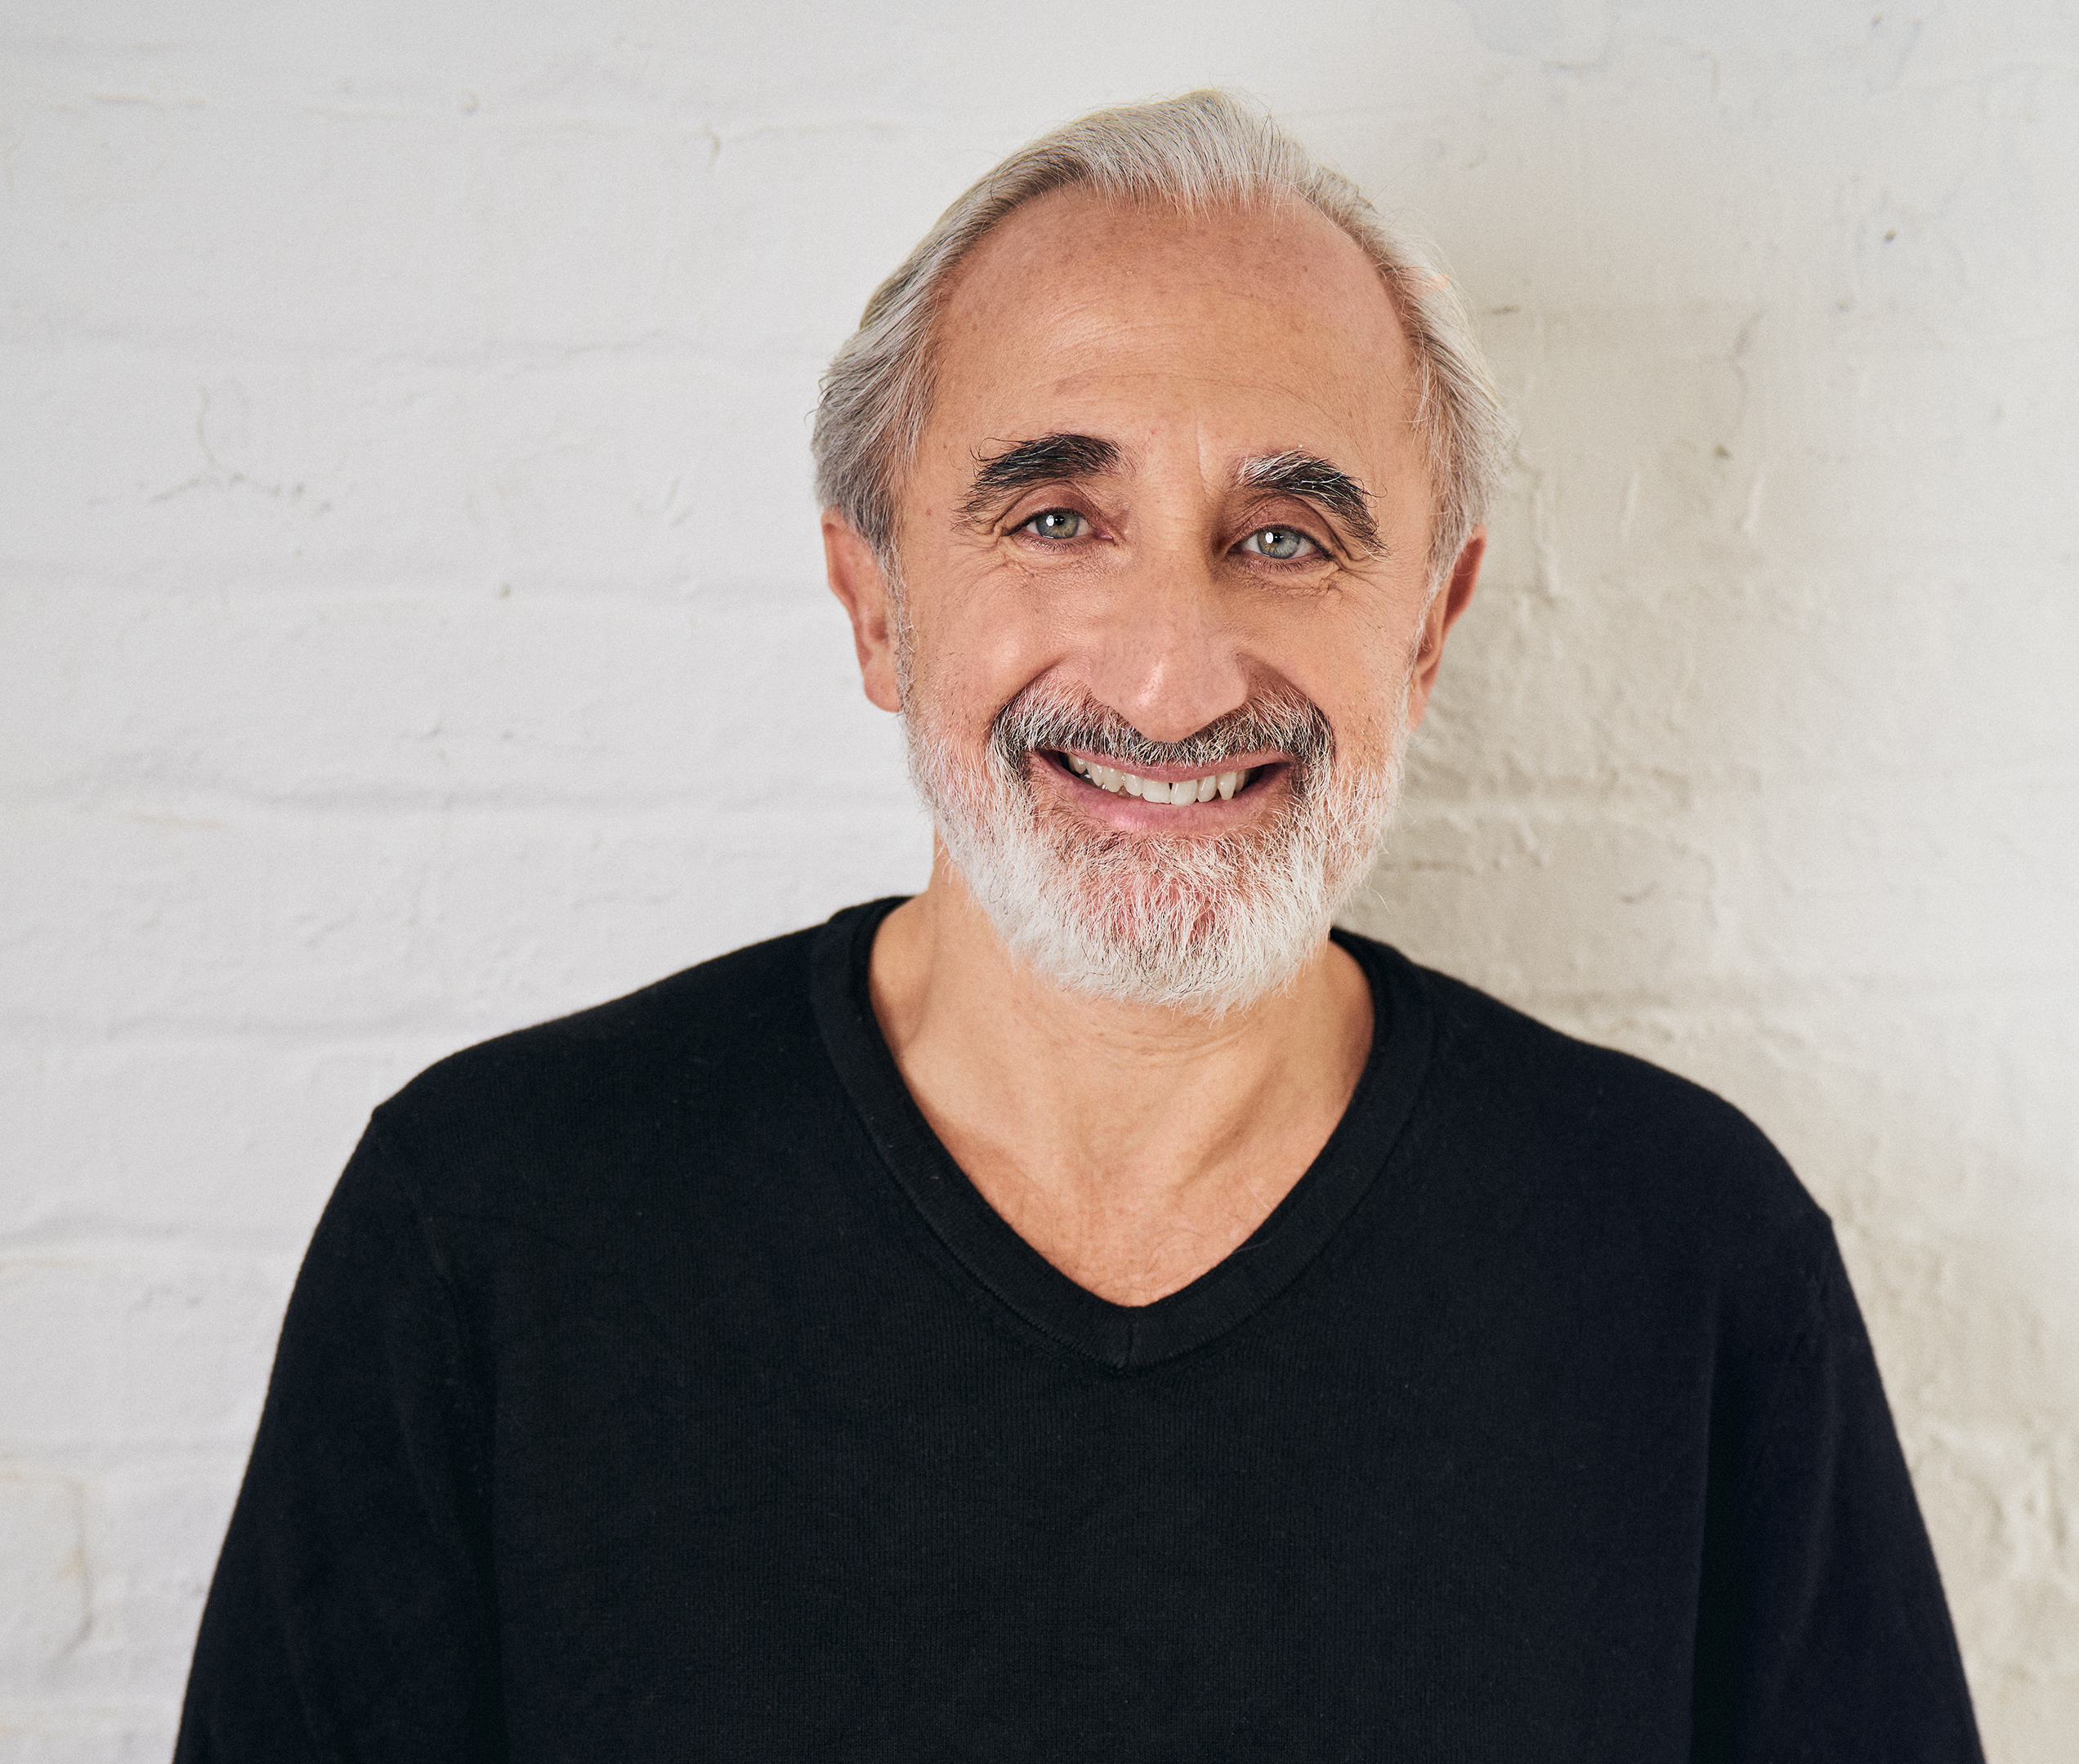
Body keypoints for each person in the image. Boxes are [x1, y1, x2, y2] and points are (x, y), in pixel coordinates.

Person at [174, 92, 1983, 1761]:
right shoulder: (489, 1226)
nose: (1173, 673)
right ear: (875, 603)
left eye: (1286, 535)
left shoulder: (1681, 1252)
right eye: (1056, 514)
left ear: (1428, 628)